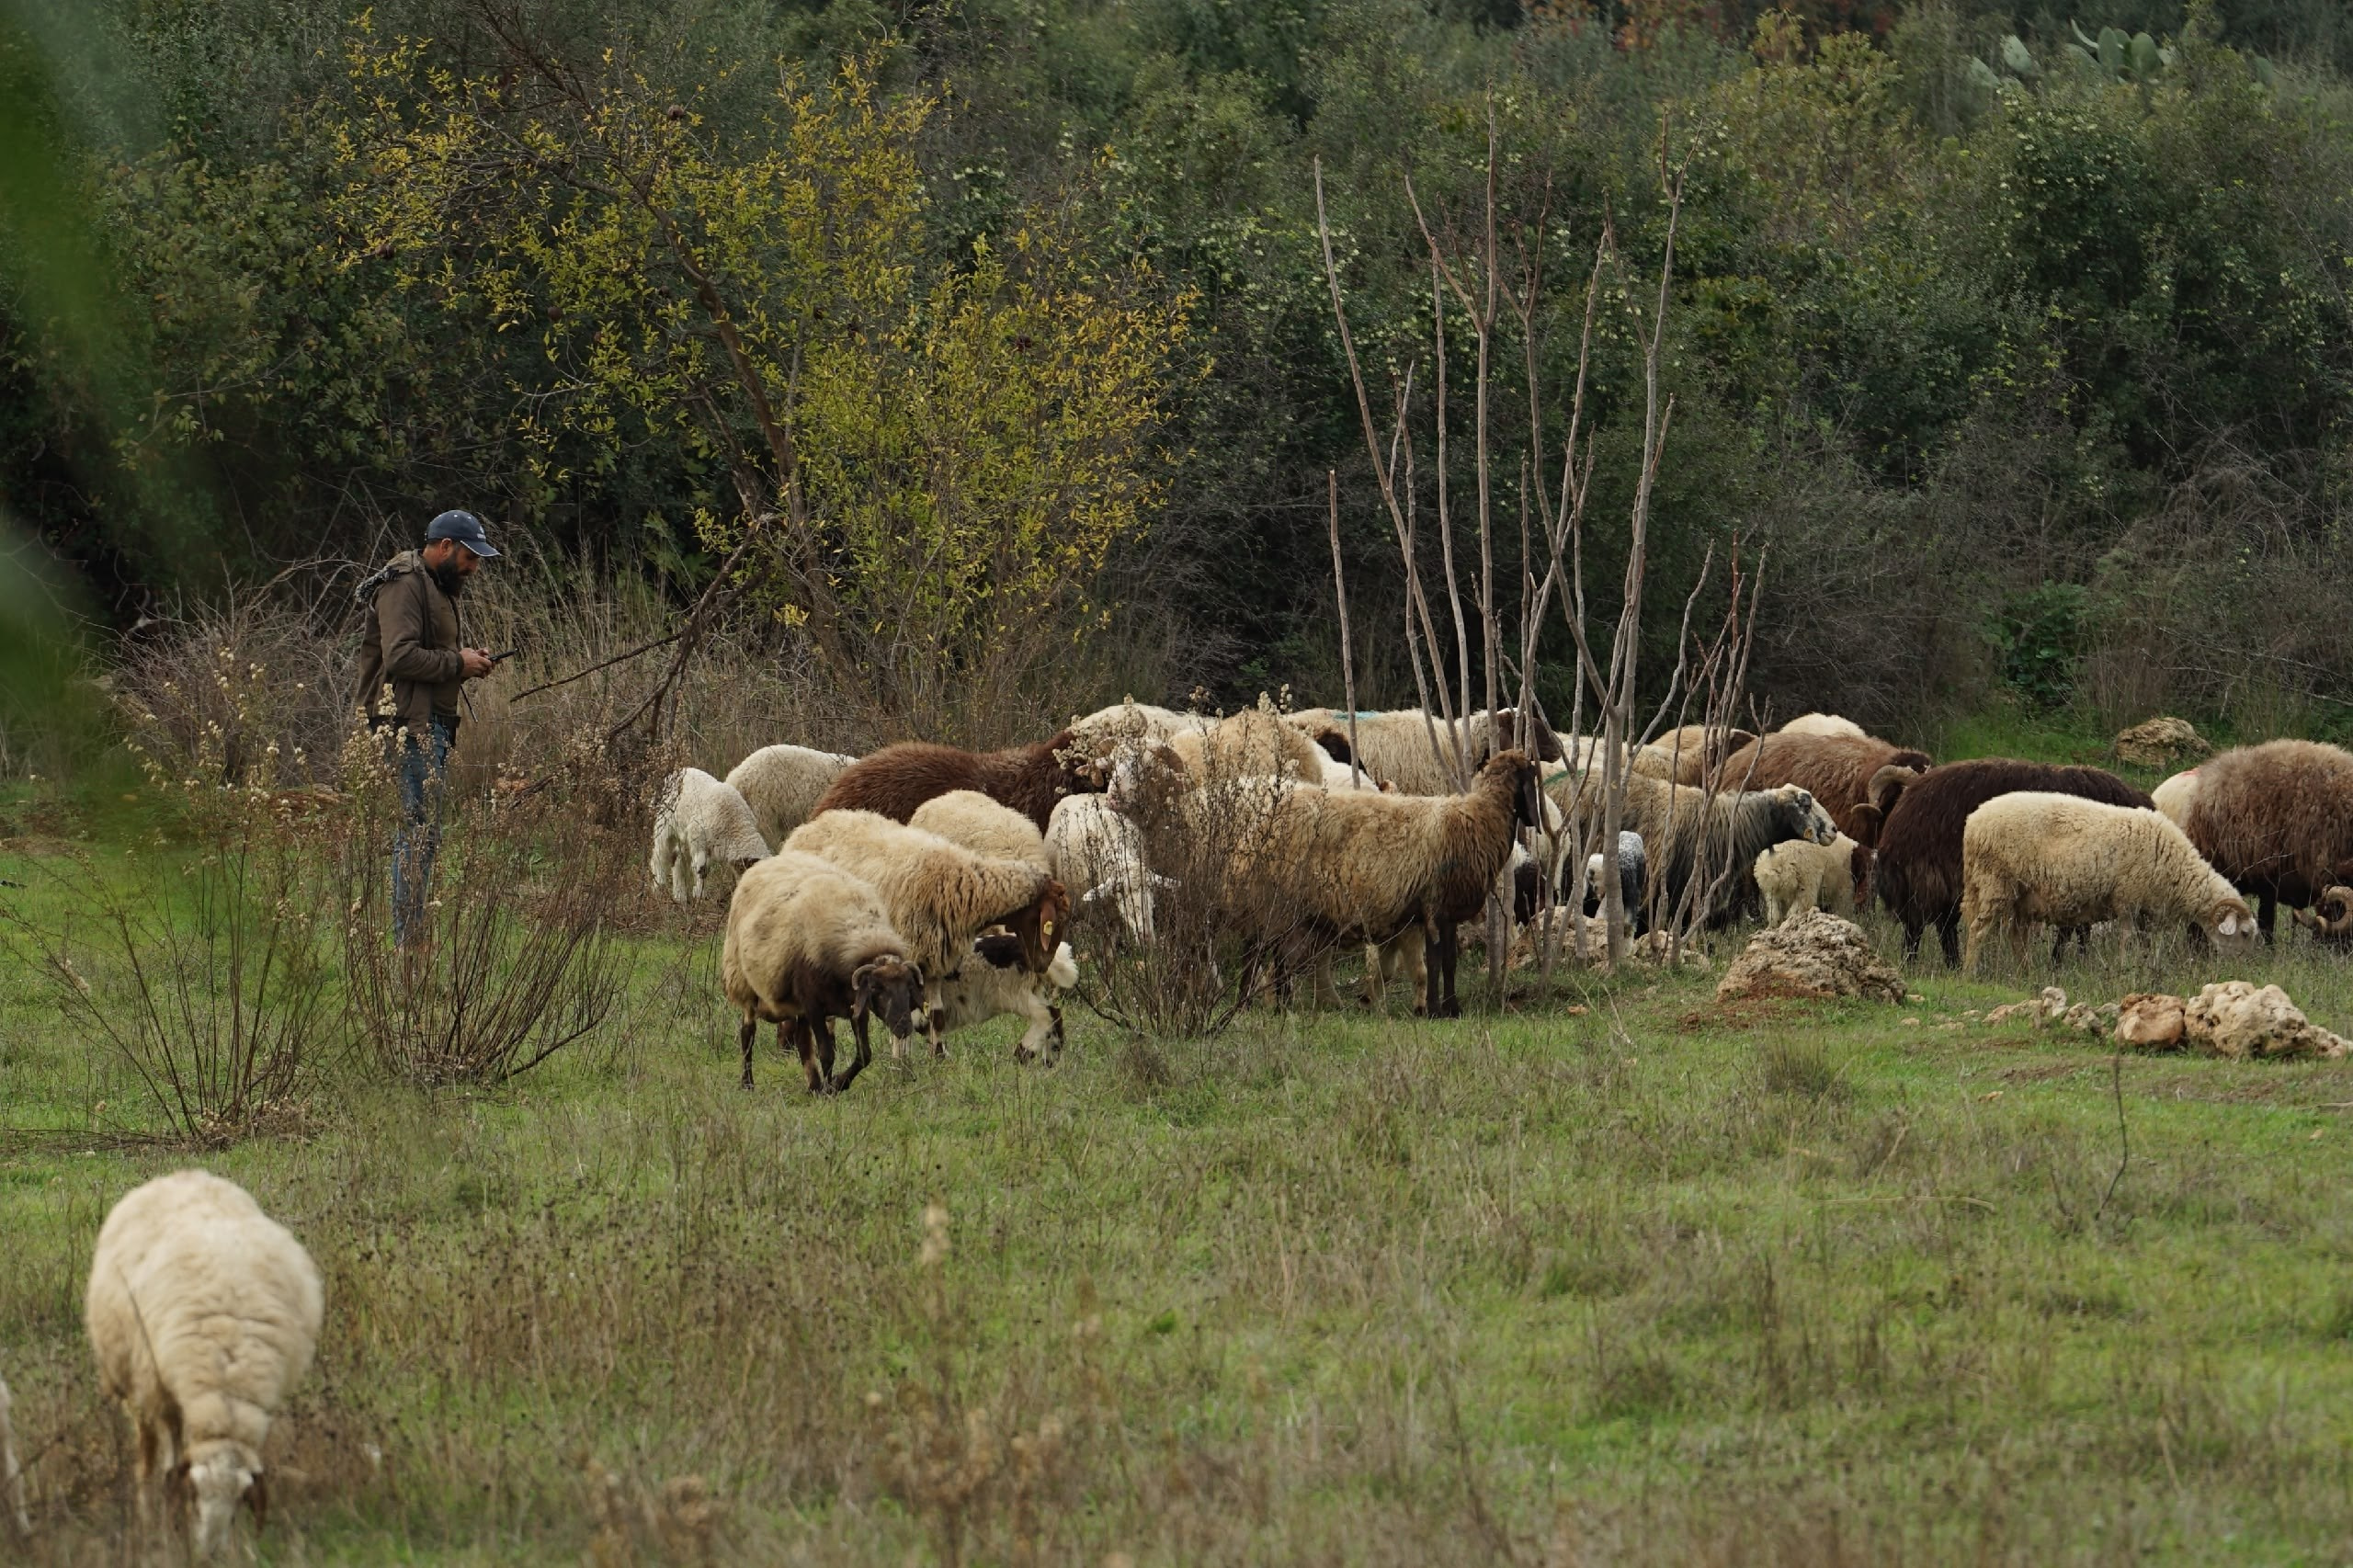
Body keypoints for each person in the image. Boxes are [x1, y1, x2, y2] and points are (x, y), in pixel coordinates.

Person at [354, 509, 501, 948]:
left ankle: (412, 939)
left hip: (429, 721)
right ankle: (409, 945)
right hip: (406, 723)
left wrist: (467, 658)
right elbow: (399, 658)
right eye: (470, 557)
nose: (474, 568)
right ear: (444, 547)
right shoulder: (403, 582)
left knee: (424, 832)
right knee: (417, 833)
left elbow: (427, 650)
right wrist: (459, 662)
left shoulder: (435, 583)